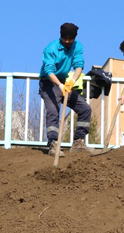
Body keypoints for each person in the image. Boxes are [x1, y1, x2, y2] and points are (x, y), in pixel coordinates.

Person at [39, 22, 92, 156]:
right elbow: (49, 71)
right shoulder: (51, 48)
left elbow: (79, 65)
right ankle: (54, 143)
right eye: (65, 38)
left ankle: (78, 142)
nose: (67, 41)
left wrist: (72, 81)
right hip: (49, 82)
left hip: (64, 82)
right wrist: (60, 85)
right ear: (61, 36)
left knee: (85, 109)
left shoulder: (77, 46)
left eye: (70, 39)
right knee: (53, 111)